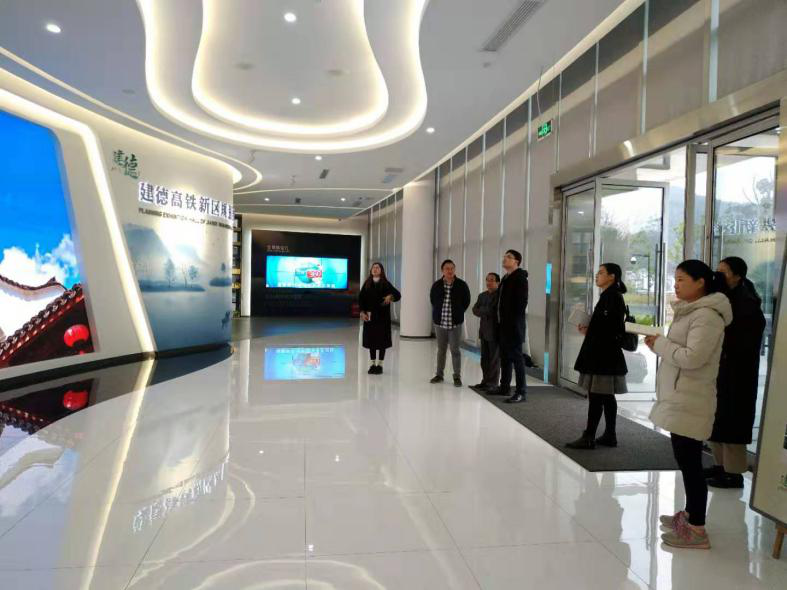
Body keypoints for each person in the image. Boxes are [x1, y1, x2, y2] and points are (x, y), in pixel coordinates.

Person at [646, 260, 731, 550]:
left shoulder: (706, 315)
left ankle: (697, 529)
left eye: (682, 279)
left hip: (691, 399)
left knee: (691, 464)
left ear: (700, 282)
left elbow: (693, 357)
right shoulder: (692, 311)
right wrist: (660, 344)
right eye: (676, 279)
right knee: (686, 460)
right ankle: (690, 514)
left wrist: (660, 345)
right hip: (681, 397)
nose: (676, 284)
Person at [706, 257, 766, 488]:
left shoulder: (746, 303)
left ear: (737, 276)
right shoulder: (723, 298)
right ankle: (720, 465)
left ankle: (734, 472)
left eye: (724, 272)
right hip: (721, 371)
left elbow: (741, 341)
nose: (718, 276)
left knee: (732, 421)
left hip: (737, 374)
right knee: (717, 419)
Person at [566, 263, 628, 450]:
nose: (597, 275)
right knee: (606, 396)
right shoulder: (609, 296)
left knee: (597, 396)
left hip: (603, 356)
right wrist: (589, 329)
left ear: (612, 276)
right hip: (604, 355)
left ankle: (589, 436)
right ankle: (609, 434)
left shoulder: (612, 297)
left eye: (601, 273)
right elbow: (605, 326)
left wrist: (590, 330)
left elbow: (611, 328)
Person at [491, 249, 528, 403]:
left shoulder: (520, 278)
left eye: (509, 257)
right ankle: (504, 387)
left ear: (516, 261)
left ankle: (521, 392)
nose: (505, 259)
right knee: (505, 357)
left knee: (517, 359)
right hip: (503, 326)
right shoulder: (506, 278)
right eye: (504, 256)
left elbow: (521, 304)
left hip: (513, 326)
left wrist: (512, 323)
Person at [430, 260, 471, 387]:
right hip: (440, 323)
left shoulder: (461, 285)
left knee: (455, 350)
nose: (450, 271)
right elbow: (433, 300)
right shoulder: (437, 285)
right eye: (447, 268)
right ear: (442, 270)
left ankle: (457, 376)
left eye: (452, 268)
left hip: (455, 323)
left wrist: (459, 312)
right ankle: (439, 375)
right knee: (441, 350)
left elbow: (466, 301)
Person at [359, 262, 401, 375]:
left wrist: (390, 296)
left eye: (377, 267)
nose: (375, 269)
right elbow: (361, 298)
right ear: (371, 270)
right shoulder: (367, 283)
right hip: (370, 317)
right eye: (373, 267)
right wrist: (362, 312)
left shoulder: (386, 284)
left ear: (381, 270)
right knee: (371, 340)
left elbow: (398, 295)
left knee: (382, 341)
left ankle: (380, 365)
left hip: (383, 318)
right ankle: (372, 364)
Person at [471, 273, 501, 390]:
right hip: (483, 331)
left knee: (494, 359)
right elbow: (474, 310)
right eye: (487, 280)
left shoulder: (499, 295)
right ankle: (485, 380)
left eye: (492, 280)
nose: (489, 282)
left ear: (498, 282)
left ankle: (493, 383)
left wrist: (482, 310)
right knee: (484, 359)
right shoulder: (482, 295)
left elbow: (493, 311)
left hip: (495, 331)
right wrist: (484, 310)